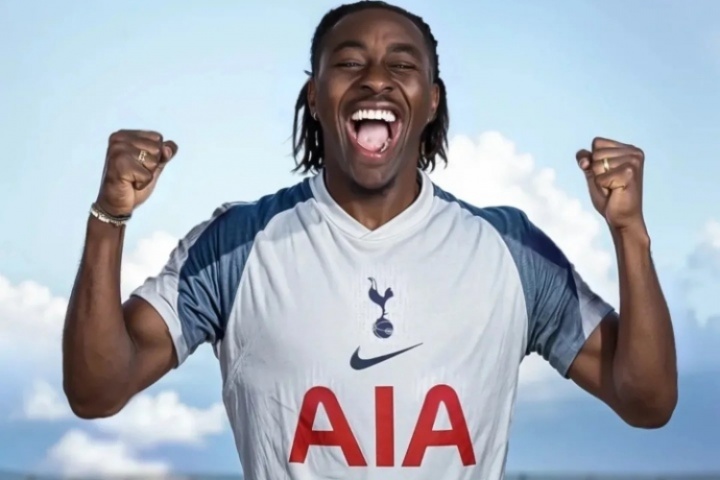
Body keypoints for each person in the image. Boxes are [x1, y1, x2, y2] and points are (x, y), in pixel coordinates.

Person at [62, 1, 678, 479]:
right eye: (350, 63)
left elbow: (646, 401)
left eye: (402, 65)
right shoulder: (236, 244)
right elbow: (96, 391)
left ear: (431, 101)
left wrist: (629, 233)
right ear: (315, 96)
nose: (376, 80)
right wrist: (108, 218)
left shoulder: (509, 249)